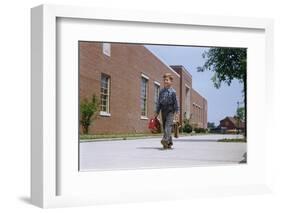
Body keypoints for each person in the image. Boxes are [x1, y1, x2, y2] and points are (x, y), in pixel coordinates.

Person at [154, 73, 179, 149]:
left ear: (171, 81)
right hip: (163, 111)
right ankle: (169, 143)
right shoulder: (161, 92)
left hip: (170, 111)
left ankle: (164, 140)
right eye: (164, 80)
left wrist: (177, 113)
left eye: (167, 80)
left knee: (167, 127)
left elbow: (176, 103)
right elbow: (159, 102)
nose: (165, 81)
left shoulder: (173, 92)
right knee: (165, 126)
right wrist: (157, 112)